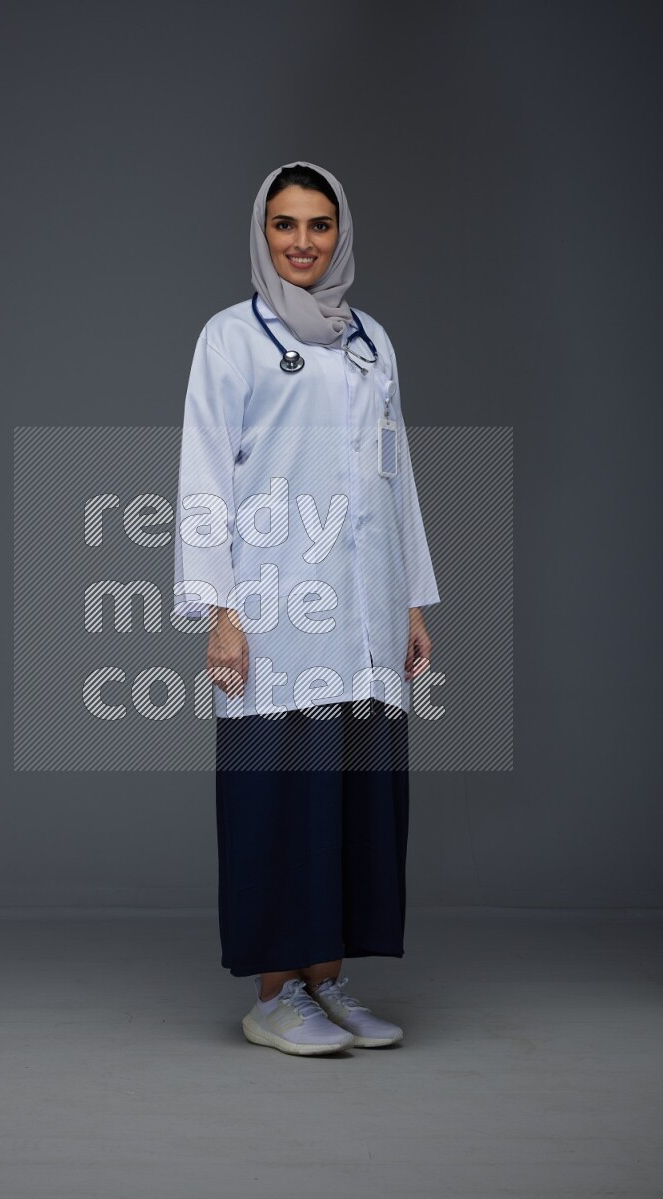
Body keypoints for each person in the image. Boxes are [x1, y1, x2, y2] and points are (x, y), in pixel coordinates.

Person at [173, 161, 440, 1056]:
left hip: (363, 607)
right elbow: (204, 475)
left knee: (354, 798)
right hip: (275, 605)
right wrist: (219, 608)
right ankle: (273, 993)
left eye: (318, 225)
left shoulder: (370, 340)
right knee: (279, 797)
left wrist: (410, 602)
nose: (301, 243)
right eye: (284, 225)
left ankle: (329, 983)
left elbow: (393, 478)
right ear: (262, 232)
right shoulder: (230, 339)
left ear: (340, 232)